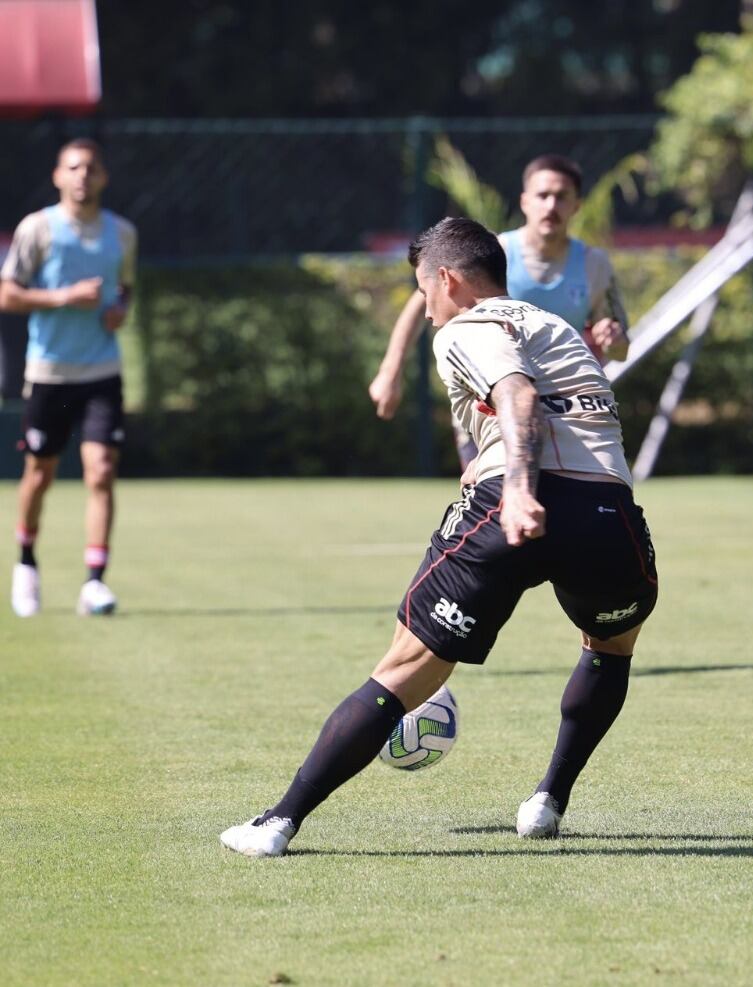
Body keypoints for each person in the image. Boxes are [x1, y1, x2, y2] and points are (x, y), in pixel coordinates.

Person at [221, 217, 658, 857]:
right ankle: (548, 801)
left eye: (425, 294)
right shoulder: (556, 327)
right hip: (607, 510)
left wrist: (517, 487)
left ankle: (278, 822)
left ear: (448, 281)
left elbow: (517, 394)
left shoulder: (465, 328)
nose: (426, 312)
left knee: (405, 667)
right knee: (611, 644)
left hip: (513, 498)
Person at [368, 154, 630, 466]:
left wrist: (613, 341)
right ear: (524, 202)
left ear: (577, 205)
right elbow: (422, 300)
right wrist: (390, 371)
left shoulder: (594, 264)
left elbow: (621, 349)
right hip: (488, 406)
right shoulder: (494, 252)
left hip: (560, 414)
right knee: (496, 501)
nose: (550, 205)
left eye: (561, 197)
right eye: (542, 195)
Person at [0, 138, 137, 617]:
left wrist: (120, 310)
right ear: (58, 176)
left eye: (92, 169)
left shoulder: (121, 233)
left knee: (101, 471)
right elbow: (7, 295)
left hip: (102, 371)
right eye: (74, 168)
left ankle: (95, 582)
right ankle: (26, 564)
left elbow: (125, 288)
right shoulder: (38, 229)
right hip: (50, 373)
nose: (83, 176)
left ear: (104, 178)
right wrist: (63, 298)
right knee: (40, 474)